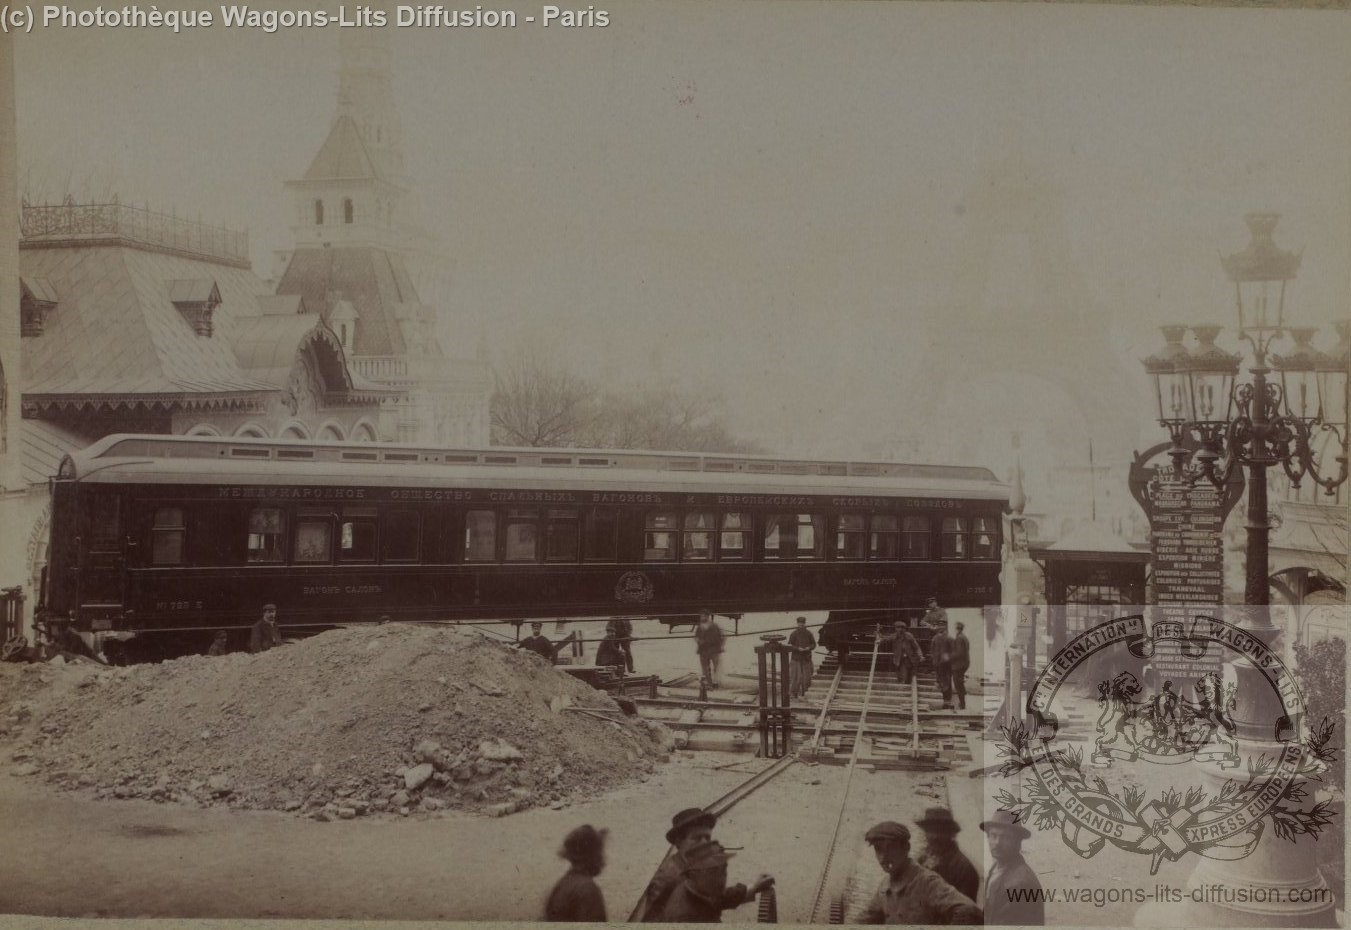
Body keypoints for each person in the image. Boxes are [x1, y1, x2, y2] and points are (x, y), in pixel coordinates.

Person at [639, 808, 773, 921]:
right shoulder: (666, 879)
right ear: (679, 842)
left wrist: (753, 887)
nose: (704, 843)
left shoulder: (696, 867)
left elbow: (713, 898)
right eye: (697, 838)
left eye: (707, 838)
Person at [860, 821, 981, 924]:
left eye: (890, 848)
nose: (883, 857)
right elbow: (868, 918)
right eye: (878, 849)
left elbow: (969, 910)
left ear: (906, 847)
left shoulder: (927, 882)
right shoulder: (885, 886)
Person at [659, 839, 770, 923]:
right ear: (694, 874)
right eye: (713, 871)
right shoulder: (686, 917)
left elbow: (720, 898)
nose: (722, 878)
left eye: (724, 869)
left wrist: (754, 887)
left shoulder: (698, 889)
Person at [981, 810, 1044, 926]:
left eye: (1005, 837)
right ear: (988, 837)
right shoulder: (995, 868)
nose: (997, 842)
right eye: (993, 836)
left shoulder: (1021, 883)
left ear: (1017, 842)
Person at [543, 824, 608, 921]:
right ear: (590, 855)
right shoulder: (588, 889)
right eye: (599, 852)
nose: (603, 858)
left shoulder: (563, 883)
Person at [915, 808, 980, 901]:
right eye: (930, 830)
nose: (934, 836)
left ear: (950, 834)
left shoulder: (963, 868)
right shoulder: (922, 861)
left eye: (940, 831)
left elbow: (964, 907)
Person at [880, 619, 922, 685]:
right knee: (900, 676)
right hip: (898, 659)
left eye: (902, 628)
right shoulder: (894, 636)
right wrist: (879, 639)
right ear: (895, 629)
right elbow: (886, 639)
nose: (900, 630)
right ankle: (903, 684)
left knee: (906, 675)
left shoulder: (909, 636)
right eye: (898, 628)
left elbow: (916, 647)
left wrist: (920, 655)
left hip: (908, 659)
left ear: (905, 629)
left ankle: (904, 685)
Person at [787, 616, 816, 699]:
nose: (801, 625)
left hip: (806, 658)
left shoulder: (809, 633)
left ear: (804, 624)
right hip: (796, 659)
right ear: (797, 624)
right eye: (800, 623)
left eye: (802, 623)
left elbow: (814, 644)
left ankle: (805, 693)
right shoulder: (793, 634)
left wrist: (809, 648)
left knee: (807, 677)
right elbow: (790, 646)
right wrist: (797, 648)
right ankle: (793, 693)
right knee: (795, 677)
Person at [695, 610, 725, 688]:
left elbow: (721, 637)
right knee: (705, 668)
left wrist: (721, 646)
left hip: (713, 650)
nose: (702, 618)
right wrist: (698, 641)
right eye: (701, 616)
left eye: (703, 616)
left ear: (708, 617)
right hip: (703, 650)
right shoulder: (700, 627)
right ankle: (708, 683)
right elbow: (697, 637)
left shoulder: (714, 626)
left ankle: (715, 682)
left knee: (716, 667)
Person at [930, 622, 953, 709]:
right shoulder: (935, 638)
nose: (940, 627)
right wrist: (934, 659)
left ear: (946, 627)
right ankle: (943, 700)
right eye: (939, 625)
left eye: (942, 626)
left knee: (947, 681)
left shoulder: (949, 638)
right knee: (940, 681)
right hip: (938, 663)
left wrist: (947, 659)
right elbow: (932, 650)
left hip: (946, 665)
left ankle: (947, 701)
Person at [950, 621, 970, 711]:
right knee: (960, 683)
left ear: (957, 629)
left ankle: (962, 704)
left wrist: (949, 656)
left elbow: (959, 653)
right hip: (964, 663)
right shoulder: (964, 637)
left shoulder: (959, 638)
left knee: (958, 684)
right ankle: (962, 702)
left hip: (959, 665)